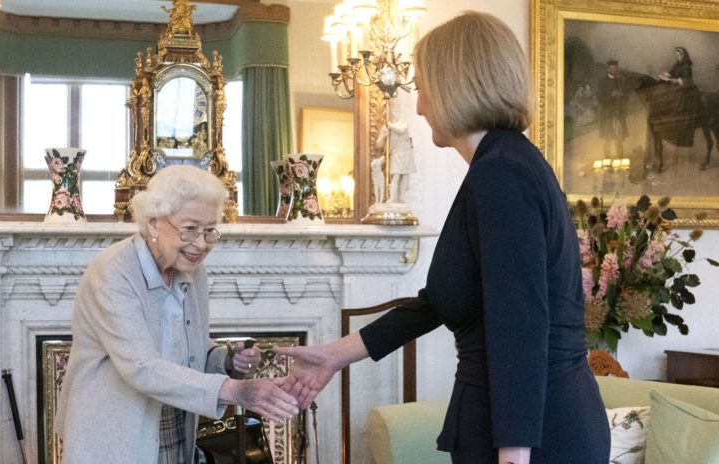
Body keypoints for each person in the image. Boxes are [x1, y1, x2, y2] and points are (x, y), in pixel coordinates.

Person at [275, 11, 609, 464]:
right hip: (523, 422)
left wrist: (513, 455)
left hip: (537, 435)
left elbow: (520, 323)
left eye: (423, 88)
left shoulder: (502, 173)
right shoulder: (502, 165)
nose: (420, 107)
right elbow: (442, 301)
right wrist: (335, 355)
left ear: (456, 86)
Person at [54, 165, 299, 464]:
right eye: (190, 229)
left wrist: (227, 360)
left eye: (209, 231)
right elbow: (140, 366)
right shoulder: (112, 272)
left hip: (175, 423)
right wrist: (234, 390)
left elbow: (187, 348)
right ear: (153, 223)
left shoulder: (193, 271)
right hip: (115, 434)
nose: (201, 244)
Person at [658, 46, 701, 147]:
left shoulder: (686, 65)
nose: (677, 57)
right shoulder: (677, 64)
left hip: (688, 89)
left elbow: (687, 79)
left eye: (678, 55)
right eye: (676, 55)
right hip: (678, 87)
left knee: (680, 102)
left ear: (683, 55)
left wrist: (676, 80)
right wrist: (666, 75)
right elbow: (672, 72)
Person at [375, 101, 416, 203]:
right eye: (394, 111)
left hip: (405, 152)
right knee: (396, 176)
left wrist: (390, 126)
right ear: (391, 112)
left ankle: (401, 196)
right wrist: (383, 136)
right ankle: (393, 197)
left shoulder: (402, 123)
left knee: (405, 176)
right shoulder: (386, 127)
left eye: (398, 111)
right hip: (396, 153)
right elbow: (378, 145)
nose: (397, 113)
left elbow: (401, 130)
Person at [597, 59, 628, 158]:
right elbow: (600, 98)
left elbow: (626, 97)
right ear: (608, 69)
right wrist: (611, 95)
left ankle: (621, 159)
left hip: (618, 113)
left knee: (619, 138)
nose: (614, 70)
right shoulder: (602, 82)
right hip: (607, 114)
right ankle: (607, 160)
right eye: (612, 68)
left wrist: (622, 96)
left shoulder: (621, 81)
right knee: (608, 139)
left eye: (615, 68)